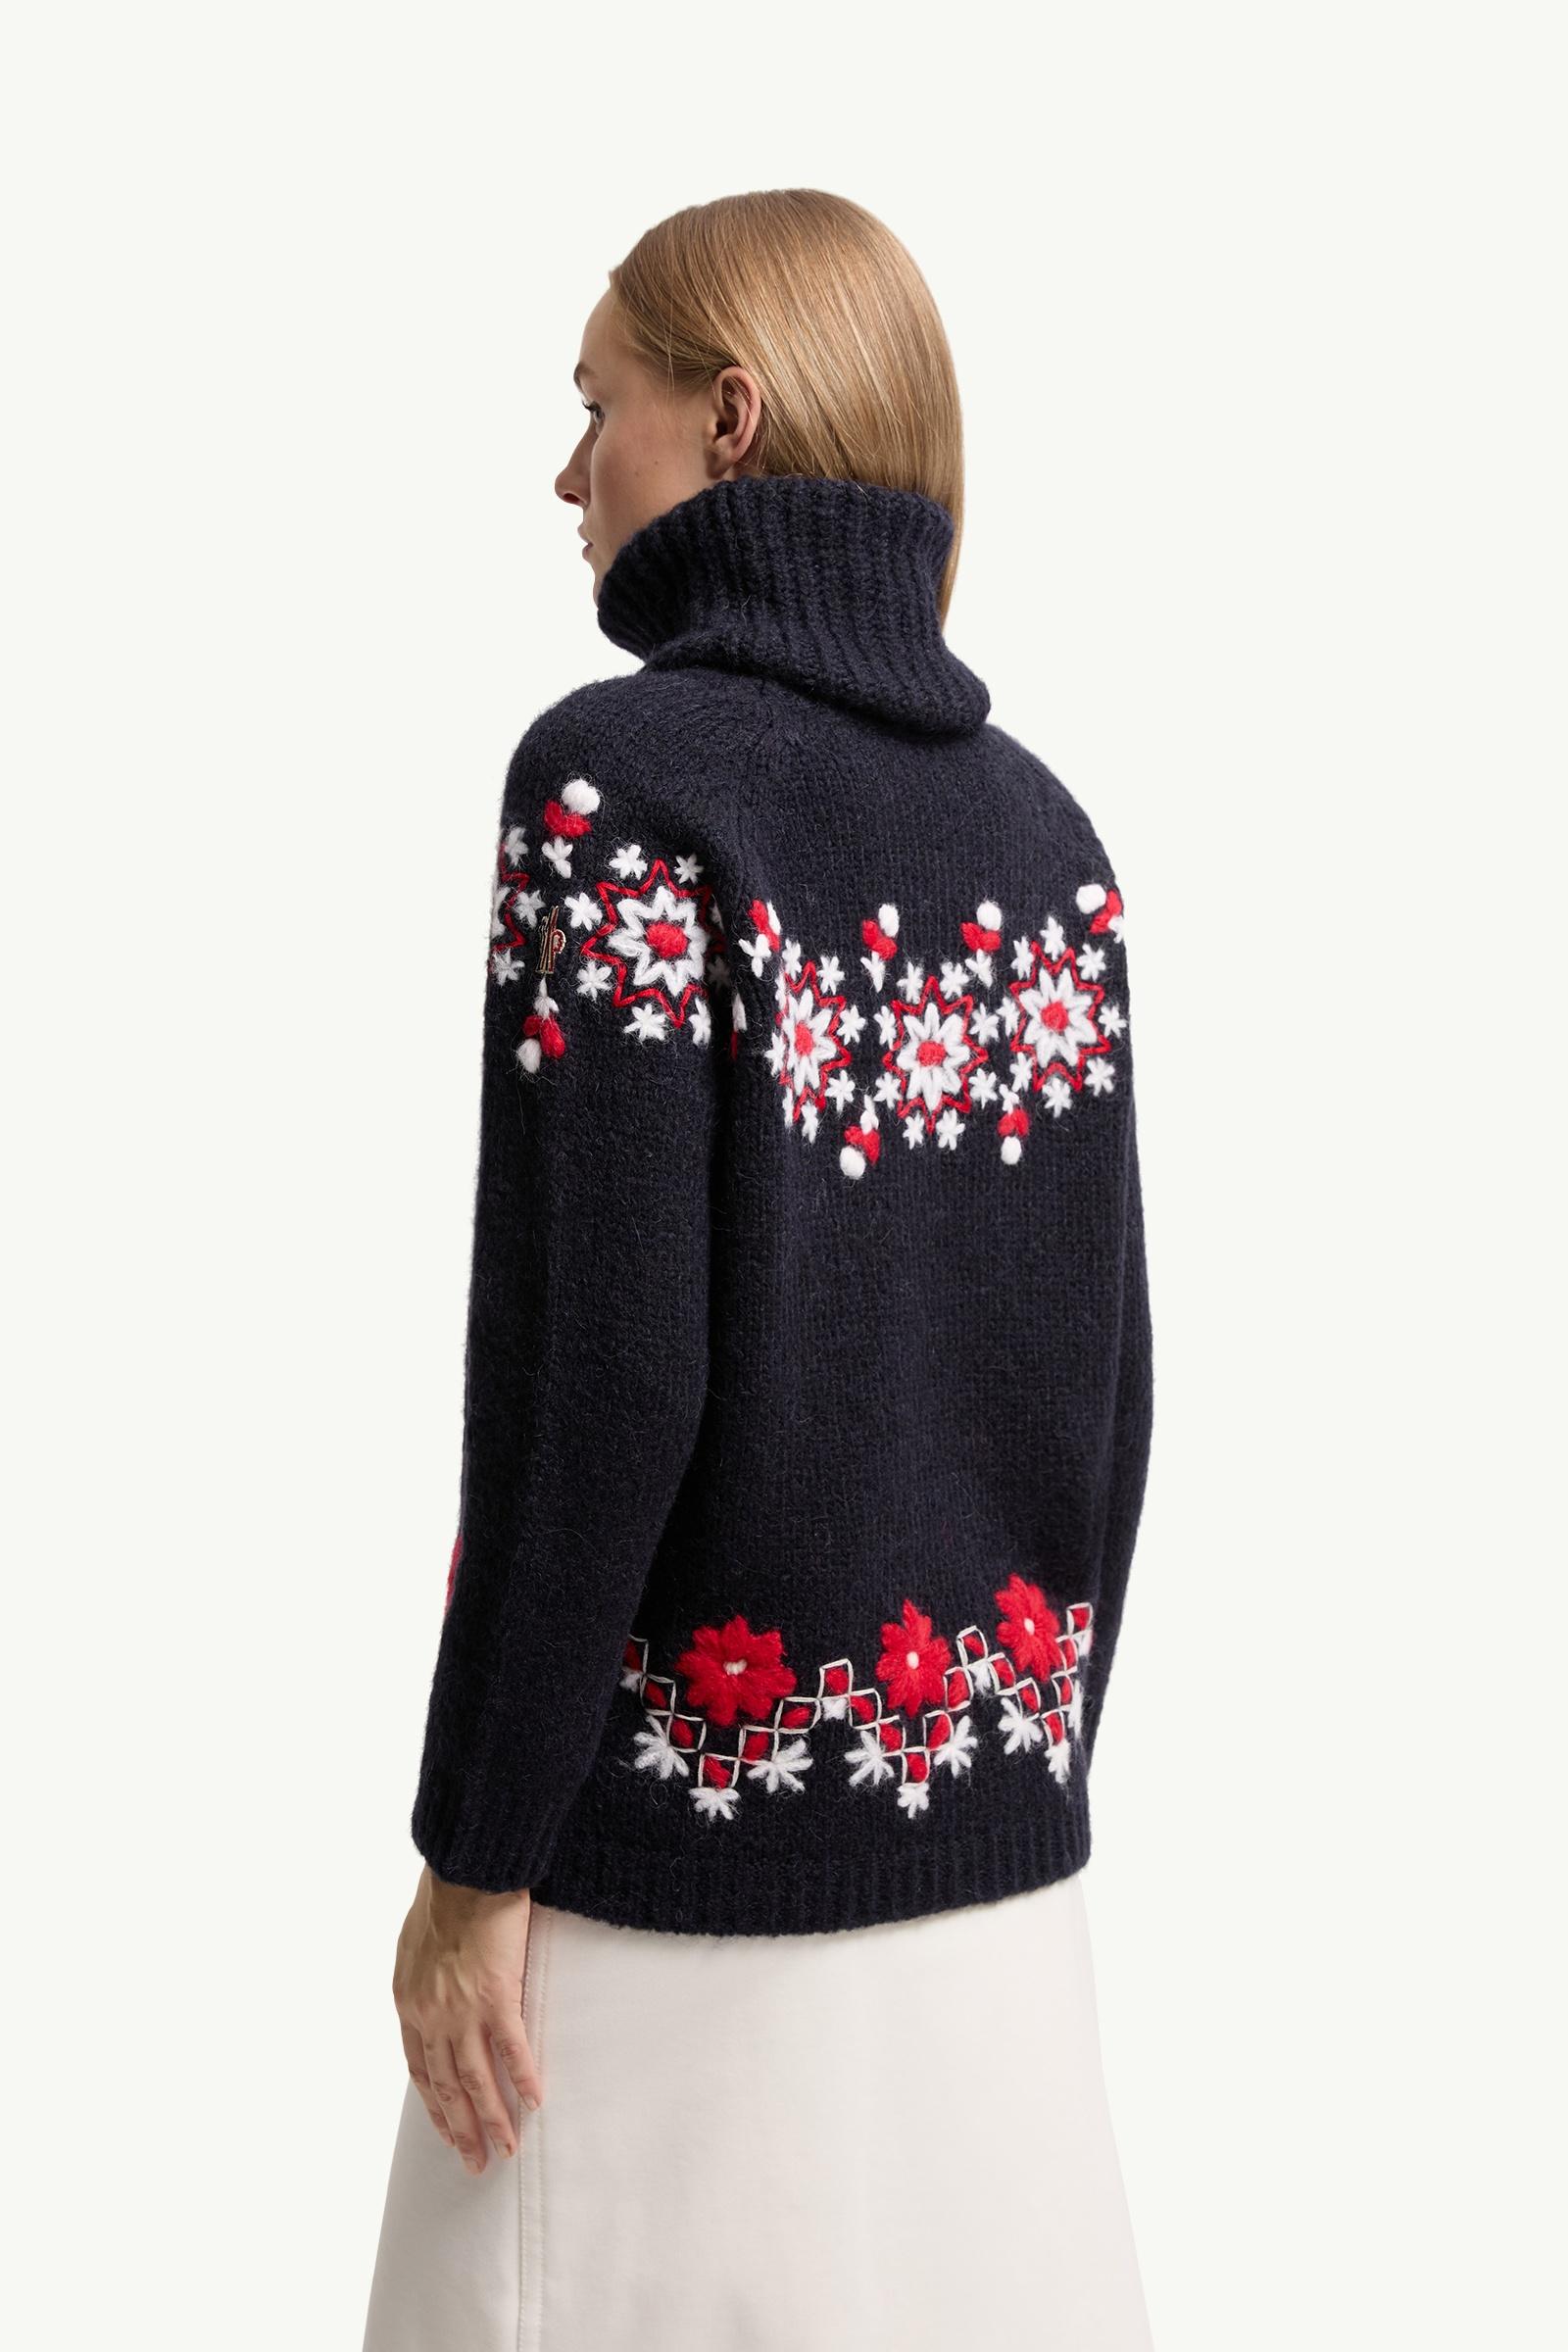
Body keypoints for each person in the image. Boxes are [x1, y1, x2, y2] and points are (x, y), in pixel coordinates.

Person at [362, 187, 1157, 2352]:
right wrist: (1004, 1770)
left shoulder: (617, 791)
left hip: (657, 1932)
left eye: (593, 404)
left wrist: (471, 1860)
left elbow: (598, 1382)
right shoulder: (1046, 842)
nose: (565, 473)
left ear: (728, 421)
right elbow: (1109, 1389)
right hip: (992, 1939)